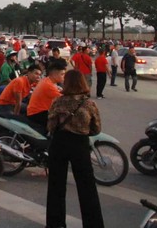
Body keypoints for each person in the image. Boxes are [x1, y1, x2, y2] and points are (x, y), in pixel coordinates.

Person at [46, 70, 104, 228]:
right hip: (80, 144)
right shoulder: (89, 104)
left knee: (56, 186)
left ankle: (55, 223)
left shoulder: (58, 101)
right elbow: (96, 129)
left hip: (59, 143)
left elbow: (50, 126)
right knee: (87, 187)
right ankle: (93, 224)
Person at [26, 59, 66, 131]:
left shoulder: (48, 80)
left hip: (38, 111)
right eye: (62, 74)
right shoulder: (48, 85)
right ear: (54, 74)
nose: (64, 76)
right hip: (38, 113)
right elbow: (64, 99)